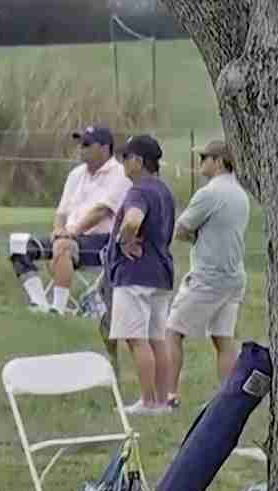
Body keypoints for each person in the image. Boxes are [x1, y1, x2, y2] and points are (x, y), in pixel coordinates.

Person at [163, 138, 250, 405]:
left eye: (205, 158)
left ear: (219, 162)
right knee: (223, 338)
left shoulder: (209, 193)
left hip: (208, 277)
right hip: (234, 278)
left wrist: (195, 237)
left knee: (172, 331)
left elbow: (180, 229)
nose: (201, 162)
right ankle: (227, 400)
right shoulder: (240, 194)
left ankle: (169, 396)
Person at [10, 125, 131, 315]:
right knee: (18, 244)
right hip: (68, 236)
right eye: (80, 144)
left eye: (87, 144)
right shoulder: (76, 174)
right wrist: (59, 229)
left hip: (100, 243)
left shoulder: (121, 174)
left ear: (105, 148)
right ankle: (39, 304)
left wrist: (71, 232)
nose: (81, 148)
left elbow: (102, 211)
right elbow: (62, 211)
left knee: (63, 246)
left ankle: (58, 309)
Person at [106, 134, 177, 416]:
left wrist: (125, 241)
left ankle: (148, 401)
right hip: (160, 272)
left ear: (137, 160)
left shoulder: (138, 191)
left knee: (136, 339)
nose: (123, 162)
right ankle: (162, 401)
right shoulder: (164, 190)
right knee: (156, 338)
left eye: (126, 157)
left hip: (135, 273)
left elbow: (133, 219)